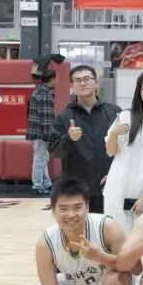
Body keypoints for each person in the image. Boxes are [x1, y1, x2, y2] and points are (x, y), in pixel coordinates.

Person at [103, 70, 143, 233]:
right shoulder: (126, 116)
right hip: (119, 189)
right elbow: (111, 152)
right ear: (139, 92)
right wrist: (114, 133)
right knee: (119, 239)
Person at [49, 66, 121, 214]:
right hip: (77, 190)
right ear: (72, 85)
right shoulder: (63, 117)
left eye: (87, 79)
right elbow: (55, 152)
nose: (83, 83)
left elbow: (126, 149)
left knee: (108, 226)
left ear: (96, 82)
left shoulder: (113, 112)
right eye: (78, 80)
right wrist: (69, 138)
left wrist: (115, 174)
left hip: (109, 185)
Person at [27, 70, 57, 195]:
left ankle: (46, 183)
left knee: (43, 158)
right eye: (56, 79)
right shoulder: (44, 94)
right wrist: (49, 135)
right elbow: (45, 118)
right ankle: (37, 185)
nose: (57, 81)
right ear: (51, 79)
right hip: (41, 133)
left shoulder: (38, 92)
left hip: (36, 131)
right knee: (40, 159)